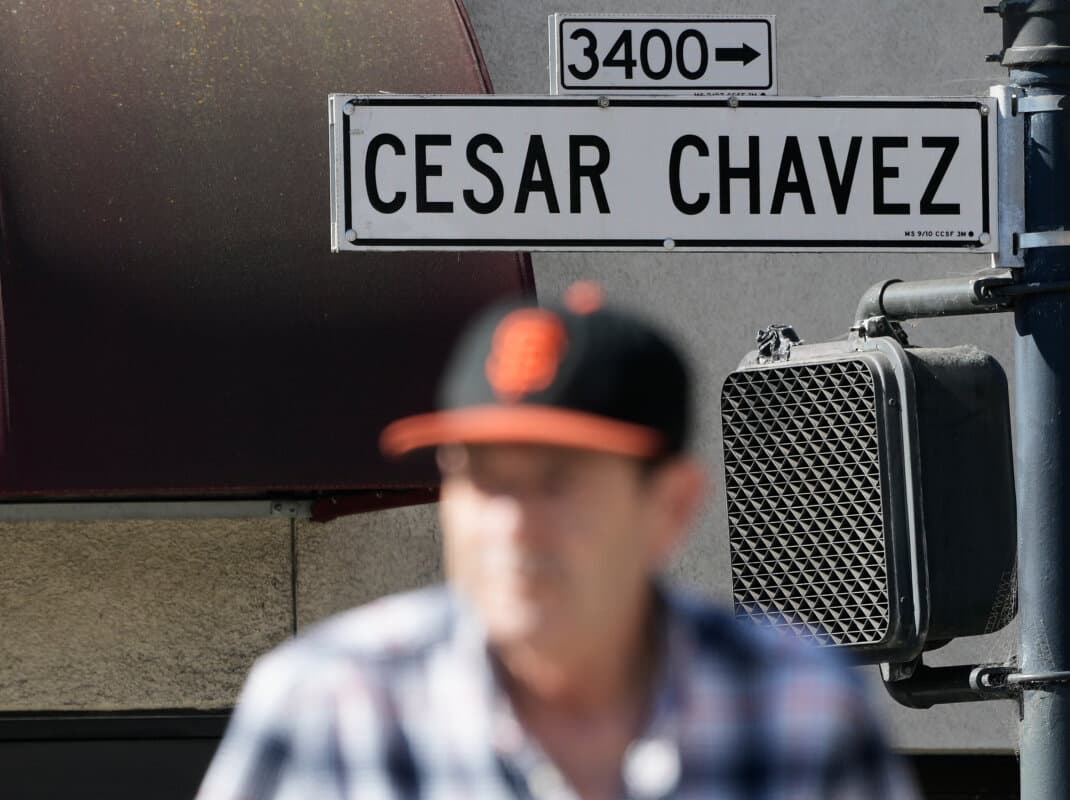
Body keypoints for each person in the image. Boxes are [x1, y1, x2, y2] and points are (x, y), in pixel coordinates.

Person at [196, 282, 918, 800]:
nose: (512, 522)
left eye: (557, 482)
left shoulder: (796, 710)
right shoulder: (330, 709)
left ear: (670, 506)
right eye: (482, 479)